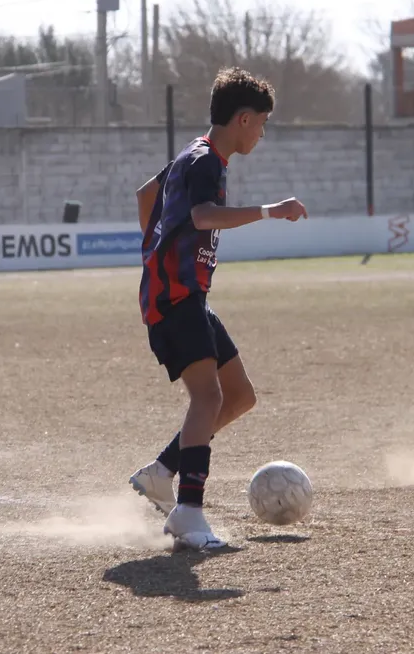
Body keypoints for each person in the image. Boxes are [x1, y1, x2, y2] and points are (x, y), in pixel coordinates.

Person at [128, 67, 309, 551]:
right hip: (176, 298)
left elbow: (146, 196)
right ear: (244, 119)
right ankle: (188, 511)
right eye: (263, 124)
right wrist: (272, 210)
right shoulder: (206, 161)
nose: (263, 134)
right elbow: (204, 215)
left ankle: (162, 472)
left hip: (187, 297)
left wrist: (157, 248)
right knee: (206, 398)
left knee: (239, 396)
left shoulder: (194, 154)